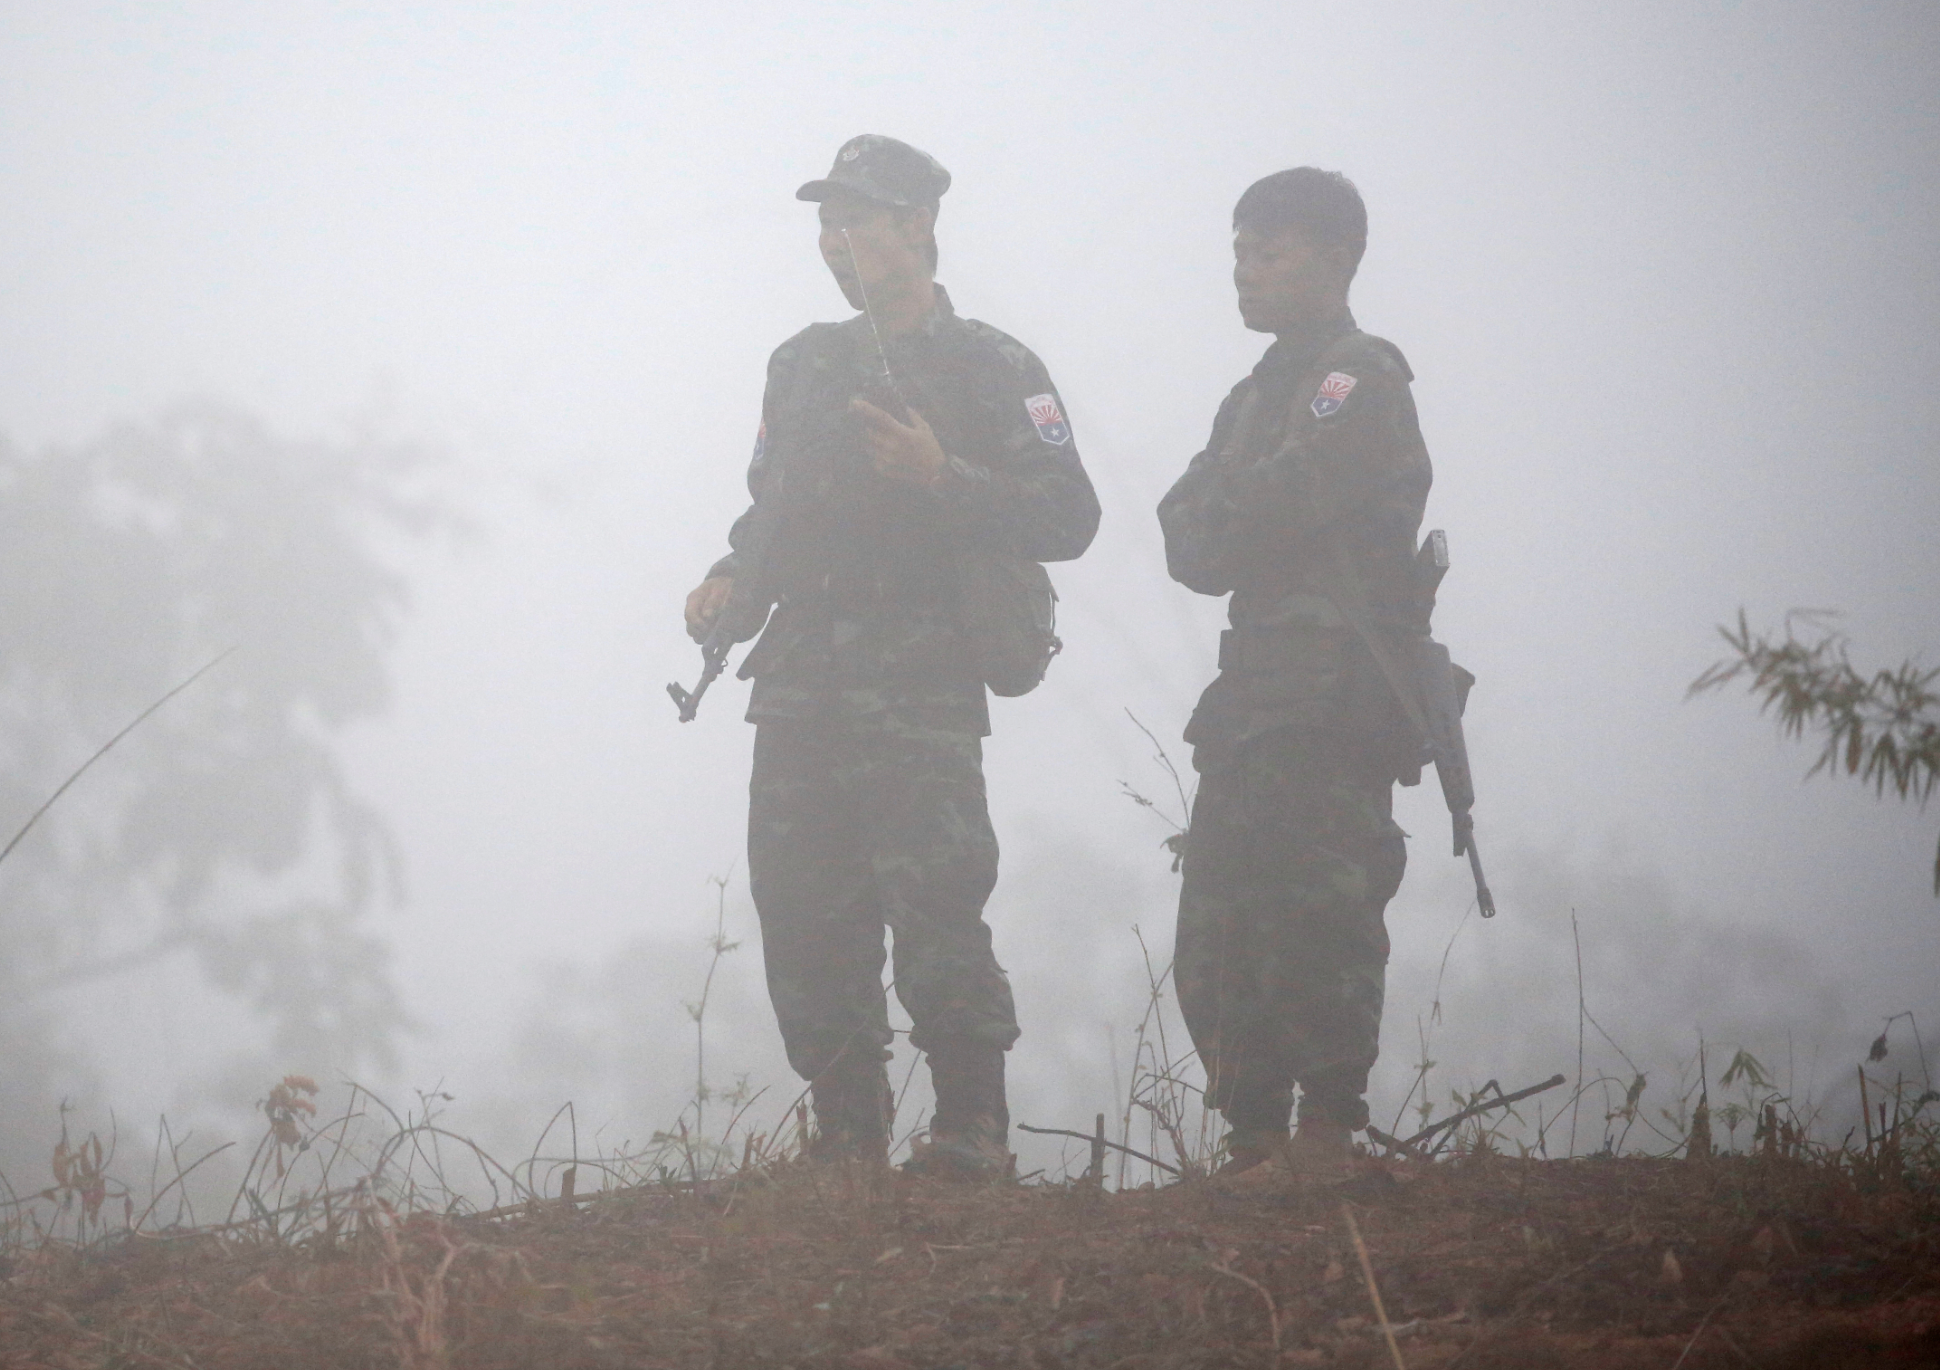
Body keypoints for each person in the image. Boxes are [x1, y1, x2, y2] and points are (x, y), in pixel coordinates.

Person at [684, 135, 1100, 1177]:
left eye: (857, 217)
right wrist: (731, 580)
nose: (835, 239)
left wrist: (940, 473)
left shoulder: (994, 364)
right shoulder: (803, 363)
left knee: (934, 898)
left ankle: (969, 1129)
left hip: (919, 678)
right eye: (825, 222)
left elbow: (1069, 511)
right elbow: (769, 512)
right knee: (801, 905)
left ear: (917, 224)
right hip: (799, 679)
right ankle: (846, 1133)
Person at [1157, 168, 1433, 1174]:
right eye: (1238, 250)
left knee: (1317, 912)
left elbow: (1256, 510)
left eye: (1268, 250)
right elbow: (1185, 538)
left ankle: (1327, 1129)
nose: (1245, 269)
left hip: (1331, 693)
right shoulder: (1254, 395)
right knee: (1219, 929)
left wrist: (1241, 513)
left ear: (1336, 256)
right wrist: (1242, 512)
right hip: (1251, 698)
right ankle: (1251, 1135)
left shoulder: (1357, 376)